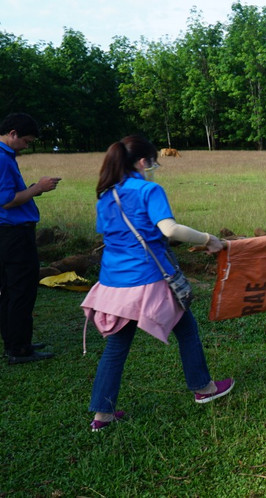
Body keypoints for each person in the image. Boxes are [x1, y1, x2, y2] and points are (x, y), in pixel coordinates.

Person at [81, 135, 234, 432]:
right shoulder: (149, 190)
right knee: (187, 329)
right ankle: (204, 387)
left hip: (113, 283)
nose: (154, 168)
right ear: (142, 162)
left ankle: (102, 416)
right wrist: (209, 240)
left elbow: (111, 235)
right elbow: (170, 228)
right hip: (149, 279)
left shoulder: (105, 196)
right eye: (153, 162)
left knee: (117, 345)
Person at [1, 112, 60, 364]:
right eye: (25, 140)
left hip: (8, 235)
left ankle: (16, 342)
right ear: (12, 133)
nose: (27, 146)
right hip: (14, 235)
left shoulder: (7, 156)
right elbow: (7, 201)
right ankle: (19, 349)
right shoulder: (2, 159)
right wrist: (38, 188)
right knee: (22, 290)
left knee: (10, 290)